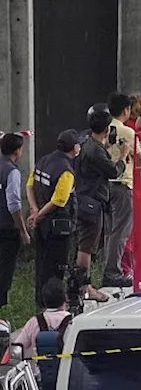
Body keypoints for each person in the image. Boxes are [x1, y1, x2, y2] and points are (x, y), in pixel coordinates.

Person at [74, 110, 122, 303]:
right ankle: (84, 286)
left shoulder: (88, 143)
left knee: (91, 244)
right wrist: (122, 157)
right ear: (106, 129)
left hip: (87, 199)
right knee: (87, 246)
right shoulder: (95, 150)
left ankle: (84, 284)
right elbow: (113, 171)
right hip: (92, 203)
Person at [27, 131, 79, 307]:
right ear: (74, 148)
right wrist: (39, 214)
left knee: (42, 265)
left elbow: (30, 186)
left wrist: (35, 211)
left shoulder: (43, 161)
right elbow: (59, 200)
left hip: (41, 226)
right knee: (56, 268)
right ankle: (54, 307)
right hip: (57, 226)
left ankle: (41, 304)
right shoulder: (66, 171)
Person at [103, 94, 135, 288]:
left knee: (109, 231)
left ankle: (109, 268)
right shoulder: (127, 132)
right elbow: (139, 155)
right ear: (126, 110)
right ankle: (114, 272)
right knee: (121, 232)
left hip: (105, 185)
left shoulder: (105, 130)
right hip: (123, 183)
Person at [15, 279, 71, 382]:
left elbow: (17, 348)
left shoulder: (34, 322)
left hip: (41, 380)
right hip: (68, 379)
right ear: (65, 299)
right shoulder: (73, 321)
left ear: (44, 301)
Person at [0, 134, 27, 308]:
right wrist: (22, 231)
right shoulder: (12, 171)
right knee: (4, 270)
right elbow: (14, 205)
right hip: (7, 229)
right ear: (18, 151)